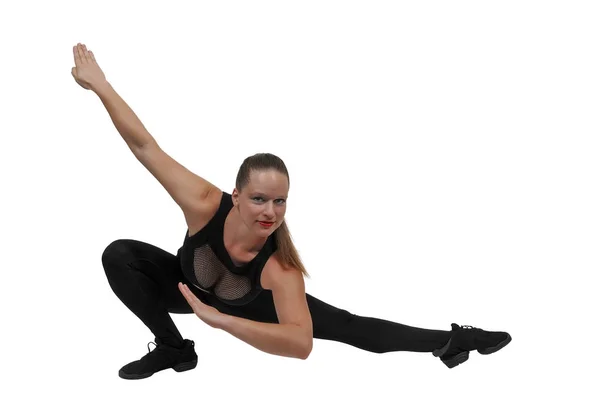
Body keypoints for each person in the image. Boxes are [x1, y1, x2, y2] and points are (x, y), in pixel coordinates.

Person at [71, 43, 512, 379]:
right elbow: (145, 146)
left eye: (279, 200)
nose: (270, 211)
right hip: (189, 290)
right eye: (259, 199)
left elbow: (301, 345)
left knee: (353, 329)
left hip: (248, 308)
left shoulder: (280, 269)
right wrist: (101, 85)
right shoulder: (203, 205)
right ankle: (174, 348)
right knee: (120, 254)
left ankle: (456, 339)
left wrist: (221, 321)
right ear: (236, 195)